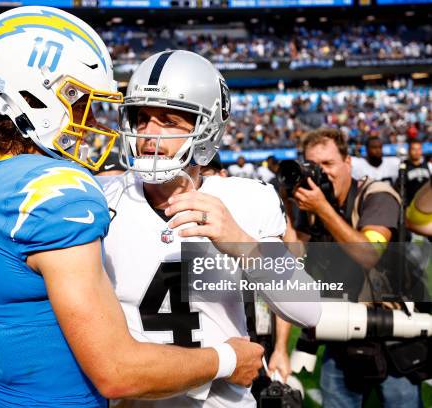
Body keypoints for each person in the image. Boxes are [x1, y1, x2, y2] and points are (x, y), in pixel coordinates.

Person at [0, 7, 265, 408]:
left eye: (169, 120)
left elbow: (26, 300)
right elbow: (117, 372)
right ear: (34, 95)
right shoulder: (74, 194)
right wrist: (229, 359)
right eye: (79, 100)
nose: (89, 117)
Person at [103, 50, 321, 407]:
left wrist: (243, 244)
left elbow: (307, 309)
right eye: (141, 118)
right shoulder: (101, 200)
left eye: (168, 120)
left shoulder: (247, 199)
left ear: (206, 129)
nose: (147, 135)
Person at [286, 128, 421, 408]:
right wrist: (287, 205)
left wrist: (324, 209)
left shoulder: (377, 195)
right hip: (341, 331)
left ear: (348, 163)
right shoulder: (312, 205)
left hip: (393, 334)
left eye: (328, 164)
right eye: (313, 166)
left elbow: (369, 253)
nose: (321, 173)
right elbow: (293, 256)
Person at [403, 139, 430, 206]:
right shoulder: (403, 166)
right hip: (411, 205)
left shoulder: (429, 165)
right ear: (409, 151)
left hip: (427, 205)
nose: (416, 152)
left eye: (419, 149)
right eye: (414, 149)